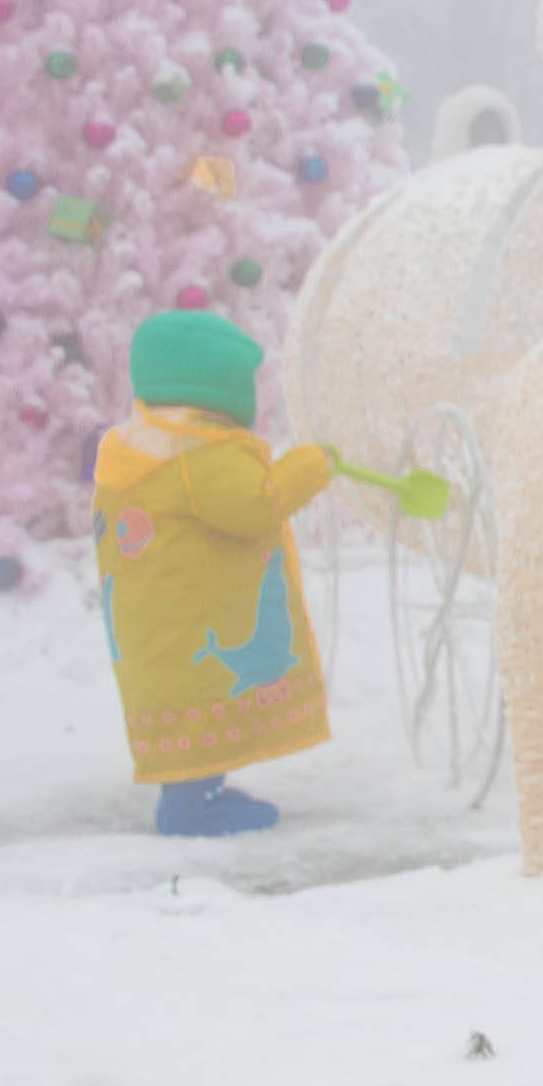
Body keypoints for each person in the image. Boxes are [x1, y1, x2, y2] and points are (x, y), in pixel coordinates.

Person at [94, 308, 336, 838]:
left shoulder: (134, 444)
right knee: (200, 706)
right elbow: (256, 503)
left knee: (187, 711)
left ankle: (198, 792)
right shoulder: (198, 454)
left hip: (157, 628)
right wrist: (310, 467)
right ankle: (193, 808)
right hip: (190, 626)